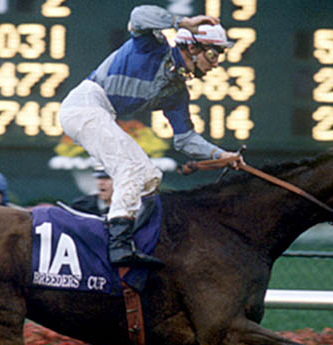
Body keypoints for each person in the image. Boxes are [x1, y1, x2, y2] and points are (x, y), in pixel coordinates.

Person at [58, 5, 243, 268]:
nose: (215, 64)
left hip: (100, 113)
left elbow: (185, 139)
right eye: (214, 54)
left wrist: (222, 155)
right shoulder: (153, 46)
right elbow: (138, 16)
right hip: (85, 105)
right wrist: (182, 22)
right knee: (131, 170)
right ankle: (118, 245)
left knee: (150, 176)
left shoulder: (176, 92)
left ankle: (126, 236)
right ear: (192, 47)